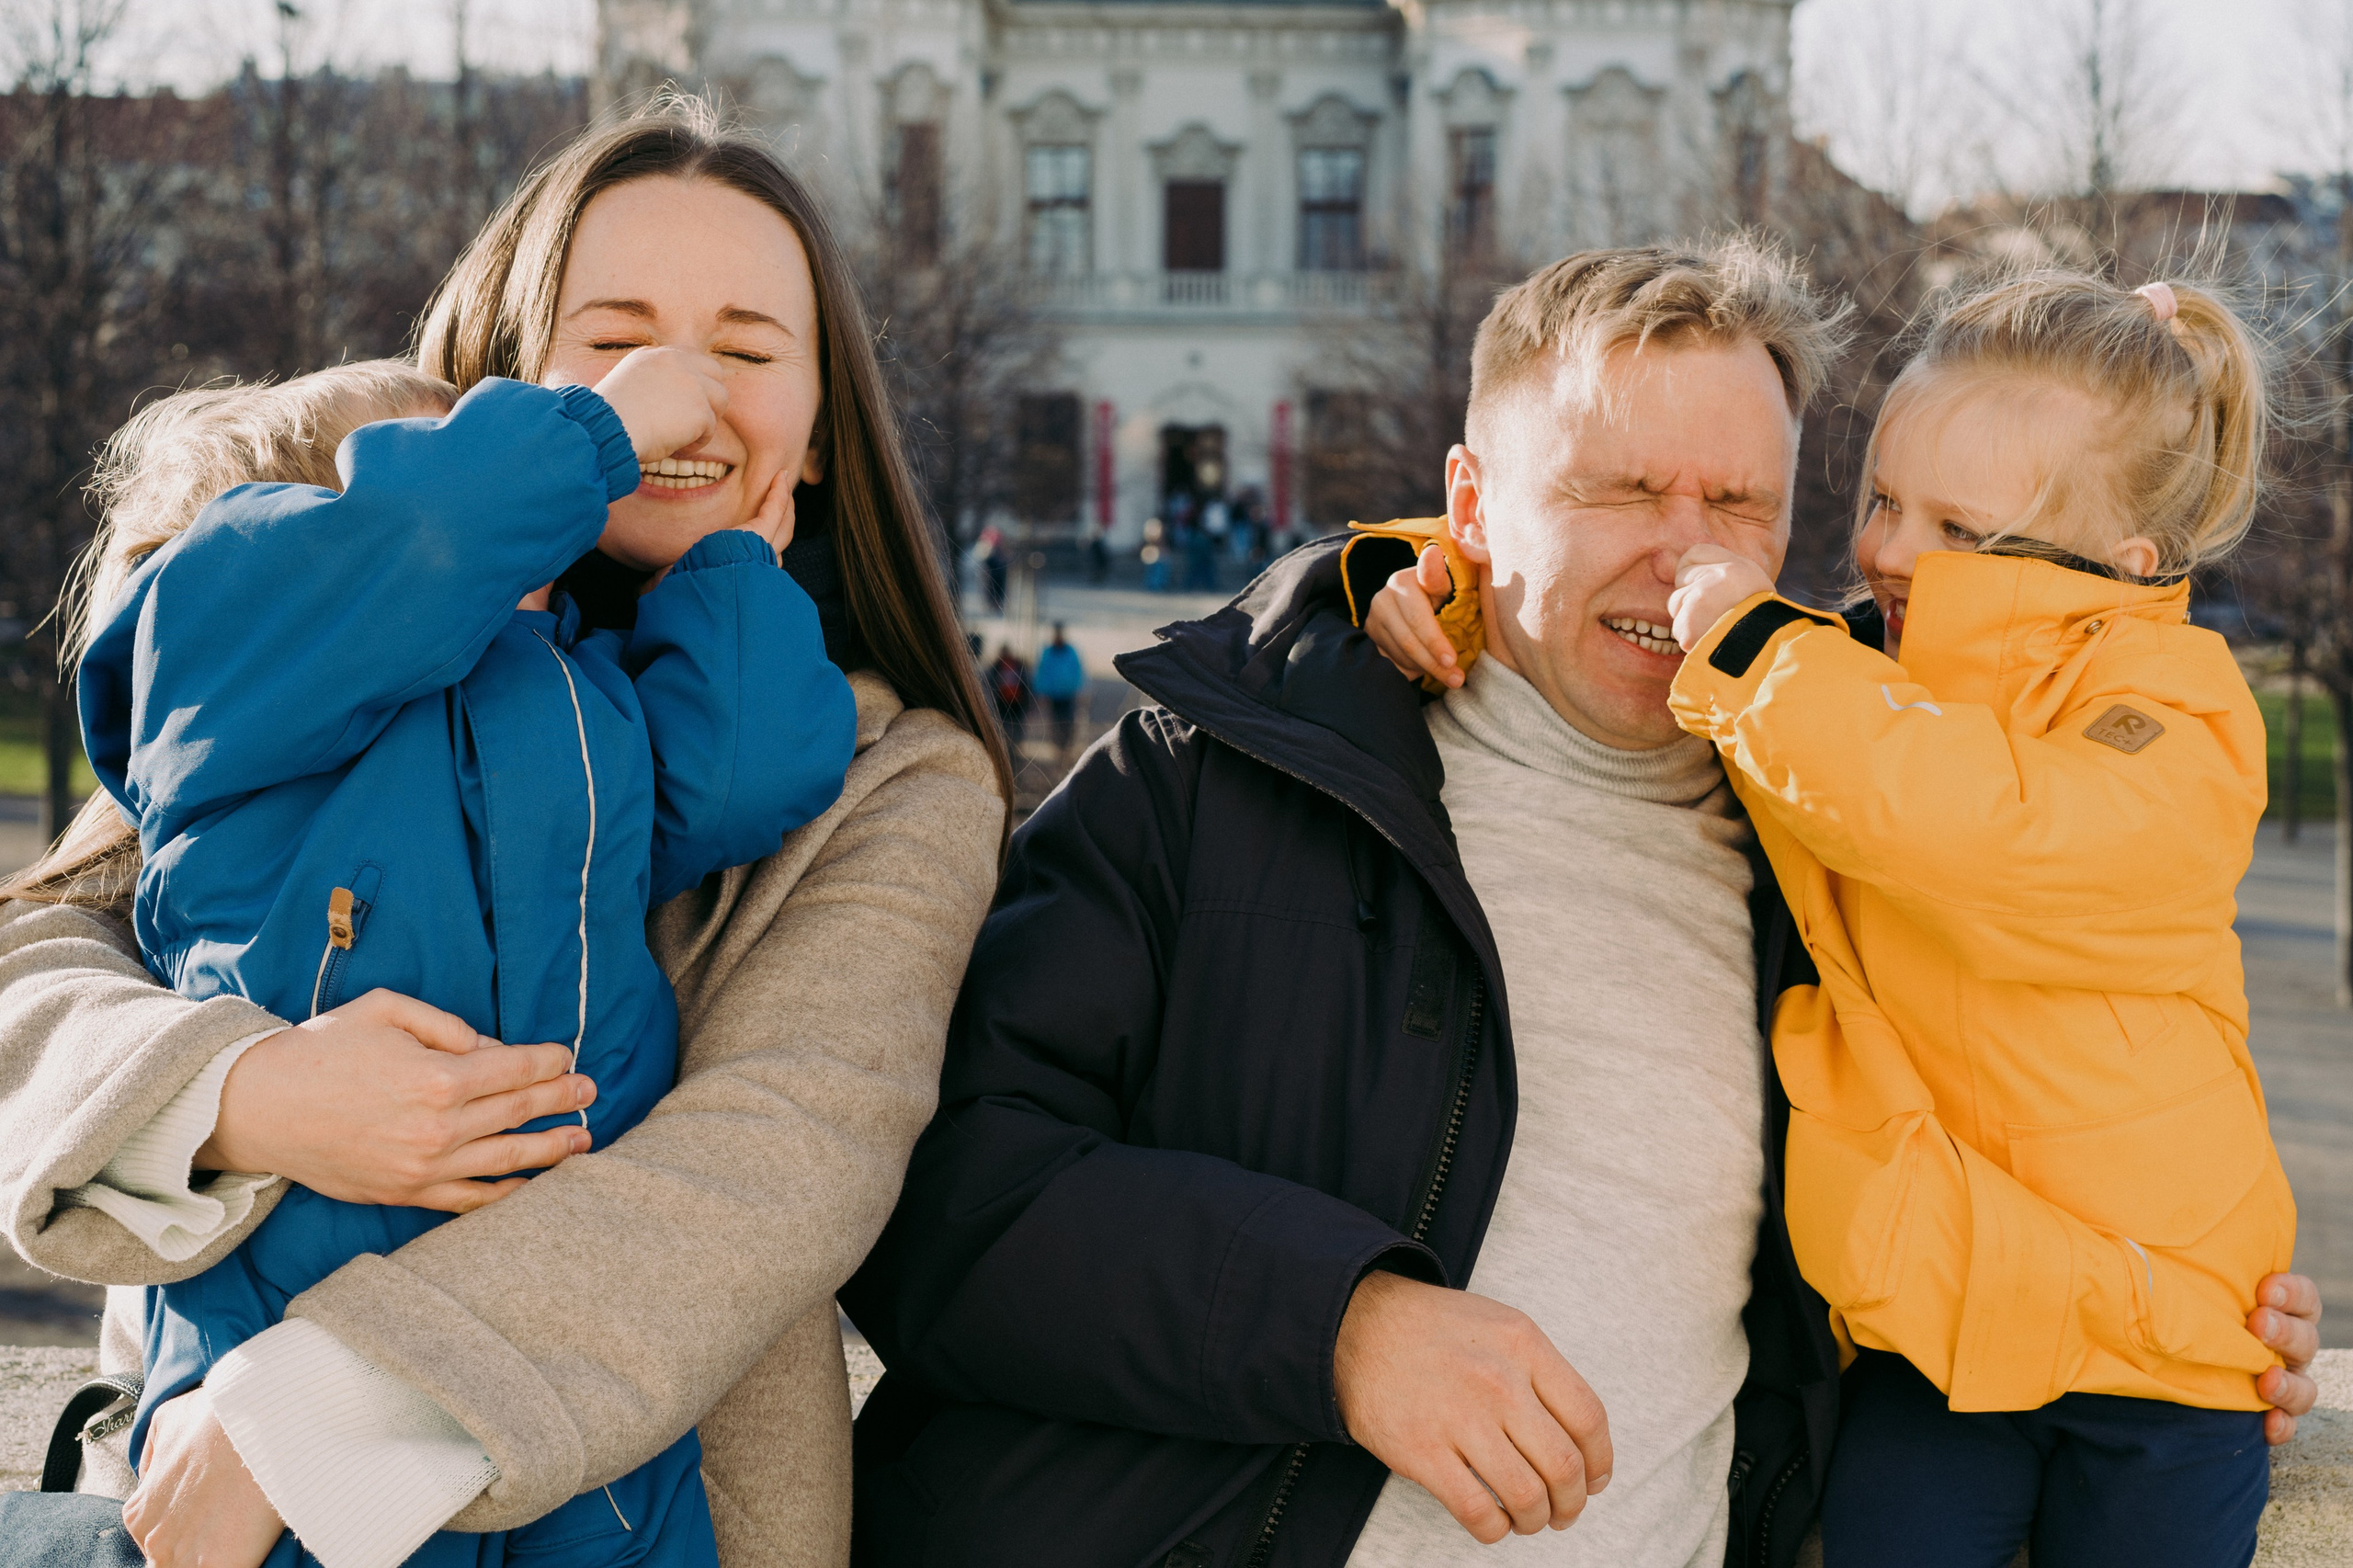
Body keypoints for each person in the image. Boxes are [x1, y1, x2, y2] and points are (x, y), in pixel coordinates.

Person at [839, 242, 2325, 1568]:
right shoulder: (1224, 759)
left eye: (1736, 502)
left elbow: (2042, 1075)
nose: (1685, 551)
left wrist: (2174, 1303)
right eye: (1618, 487)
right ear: (1471, 503)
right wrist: (1339, 1331)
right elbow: (942, 1194)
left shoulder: (1841, 836)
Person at [0, 100, 1009, 1568]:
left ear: (820, 410)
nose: (685, 394)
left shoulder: (894, 772)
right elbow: (42, 963)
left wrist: (304, 1420)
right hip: (220, 1454)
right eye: (619, 348)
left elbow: (781, 1158)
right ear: (513, 379)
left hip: (624, 1478)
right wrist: (241, 1093)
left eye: (742, 352)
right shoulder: (314, 635)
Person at [1366, 268, 2300, 1568]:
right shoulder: (1847, 693)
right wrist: (1435, 579)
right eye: (1879, 499)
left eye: (1961, 530)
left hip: (2157, 1350)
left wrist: (1755, 651)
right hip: (1933, 1333)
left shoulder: (2180, 720)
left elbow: (1980, 827)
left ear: (2123, 566)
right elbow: (1589, 570)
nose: (1887, 550)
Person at [77, 337, 854, 1565]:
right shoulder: (223, 650)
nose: (534, 518)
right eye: (449, 444)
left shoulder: (575, 689)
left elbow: (746, 771)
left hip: (561, 1381)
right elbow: (422, 543)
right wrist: (596, 436)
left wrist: (728, 557)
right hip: (286, 1341)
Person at [1032, 624, 1086, 753]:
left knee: (1068, 720)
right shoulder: (1048, 652)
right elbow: (1042, 673)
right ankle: (1058, 746)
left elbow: (1078, 671)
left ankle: (1067, 745)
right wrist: (1041, 691)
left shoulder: (1071, 651)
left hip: (1068, 694)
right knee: (1055, 721)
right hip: (1053, 694)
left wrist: (1079, 689)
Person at [988, 645, 1032, 746]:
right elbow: (992, 683)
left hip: (1017, 701)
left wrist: (1027, 699)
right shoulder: (997, 667)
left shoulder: (1018, 665)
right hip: (1003, 701)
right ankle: (1005, 744)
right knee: (1004, 724)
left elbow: (1025, 683)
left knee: (1017, 725)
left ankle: (1016, 744)